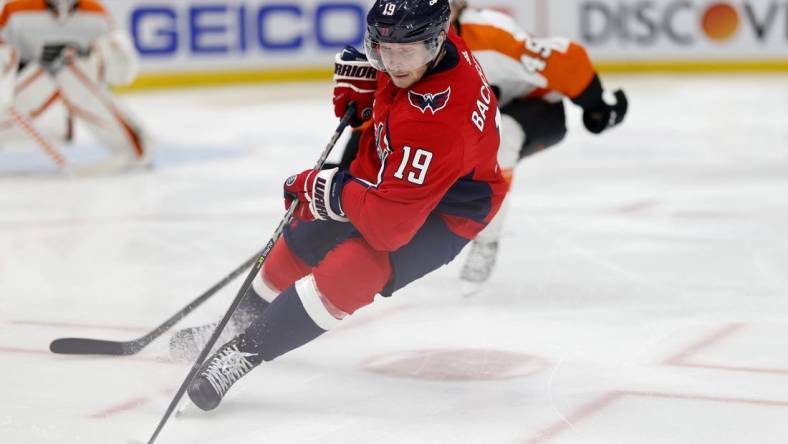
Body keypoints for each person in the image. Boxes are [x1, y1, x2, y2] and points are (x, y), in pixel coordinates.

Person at [184, 0, 507, 411]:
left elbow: (390, 227)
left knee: (353, 271)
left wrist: (332, 192)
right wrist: (370, 86)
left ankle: (243, 352)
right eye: (382, 51)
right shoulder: (432, 49)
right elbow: (399, 82)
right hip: (405, 168)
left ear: (437, 40)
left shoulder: (436, 121)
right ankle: (231, 325)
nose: (393, 64)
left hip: (449, 210)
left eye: (406, 53)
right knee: (306, 232)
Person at [333, 0, 629, 284]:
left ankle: (486, 241)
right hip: (472, 120)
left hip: (536, 110)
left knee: (504, 141)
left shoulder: (490, 35)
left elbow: (564, 59)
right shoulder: (405, 46)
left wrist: (597, 105)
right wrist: (348, 175)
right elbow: (383, 118)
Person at [0, 0, 150, 173]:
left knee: (74, 73)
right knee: (33, 82)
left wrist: (119, 53)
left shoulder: (96, 14)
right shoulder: (16, 11)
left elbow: (116, 66)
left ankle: (130, 147)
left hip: (73, 85)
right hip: (23, 90)